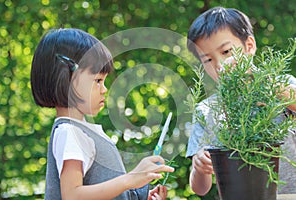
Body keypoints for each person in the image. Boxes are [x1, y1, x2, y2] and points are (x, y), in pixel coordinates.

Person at [30, 28, 174, 200]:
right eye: (98, 81)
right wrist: (130, 178)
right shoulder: (69, 132)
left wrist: (136, 195)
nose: (104, 89)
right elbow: (72, 195)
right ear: (66, 78)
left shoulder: (83, 132)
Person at [185, 6, 296, 196]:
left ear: (249, 46)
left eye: (226, 51)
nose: (219, 65)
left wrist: (265, 86)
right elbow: (200, 189)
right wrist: (199, 167)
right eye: (208, 60)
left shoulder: (282, 86)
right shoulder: (206, 110)